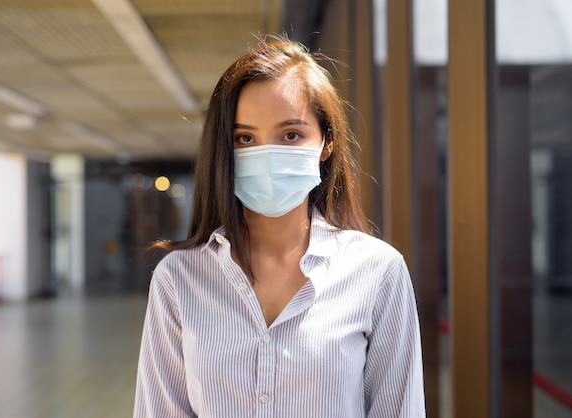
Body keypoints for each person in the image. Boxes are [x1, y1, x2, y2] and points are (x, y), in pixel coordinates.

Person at [134, 36, 425, 418]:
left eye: (291, 135)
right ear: (224, 148)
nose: (267, 154)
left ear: (326, 143)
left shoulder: (378, 271)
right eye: (245, 138)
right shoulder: (179, 278)